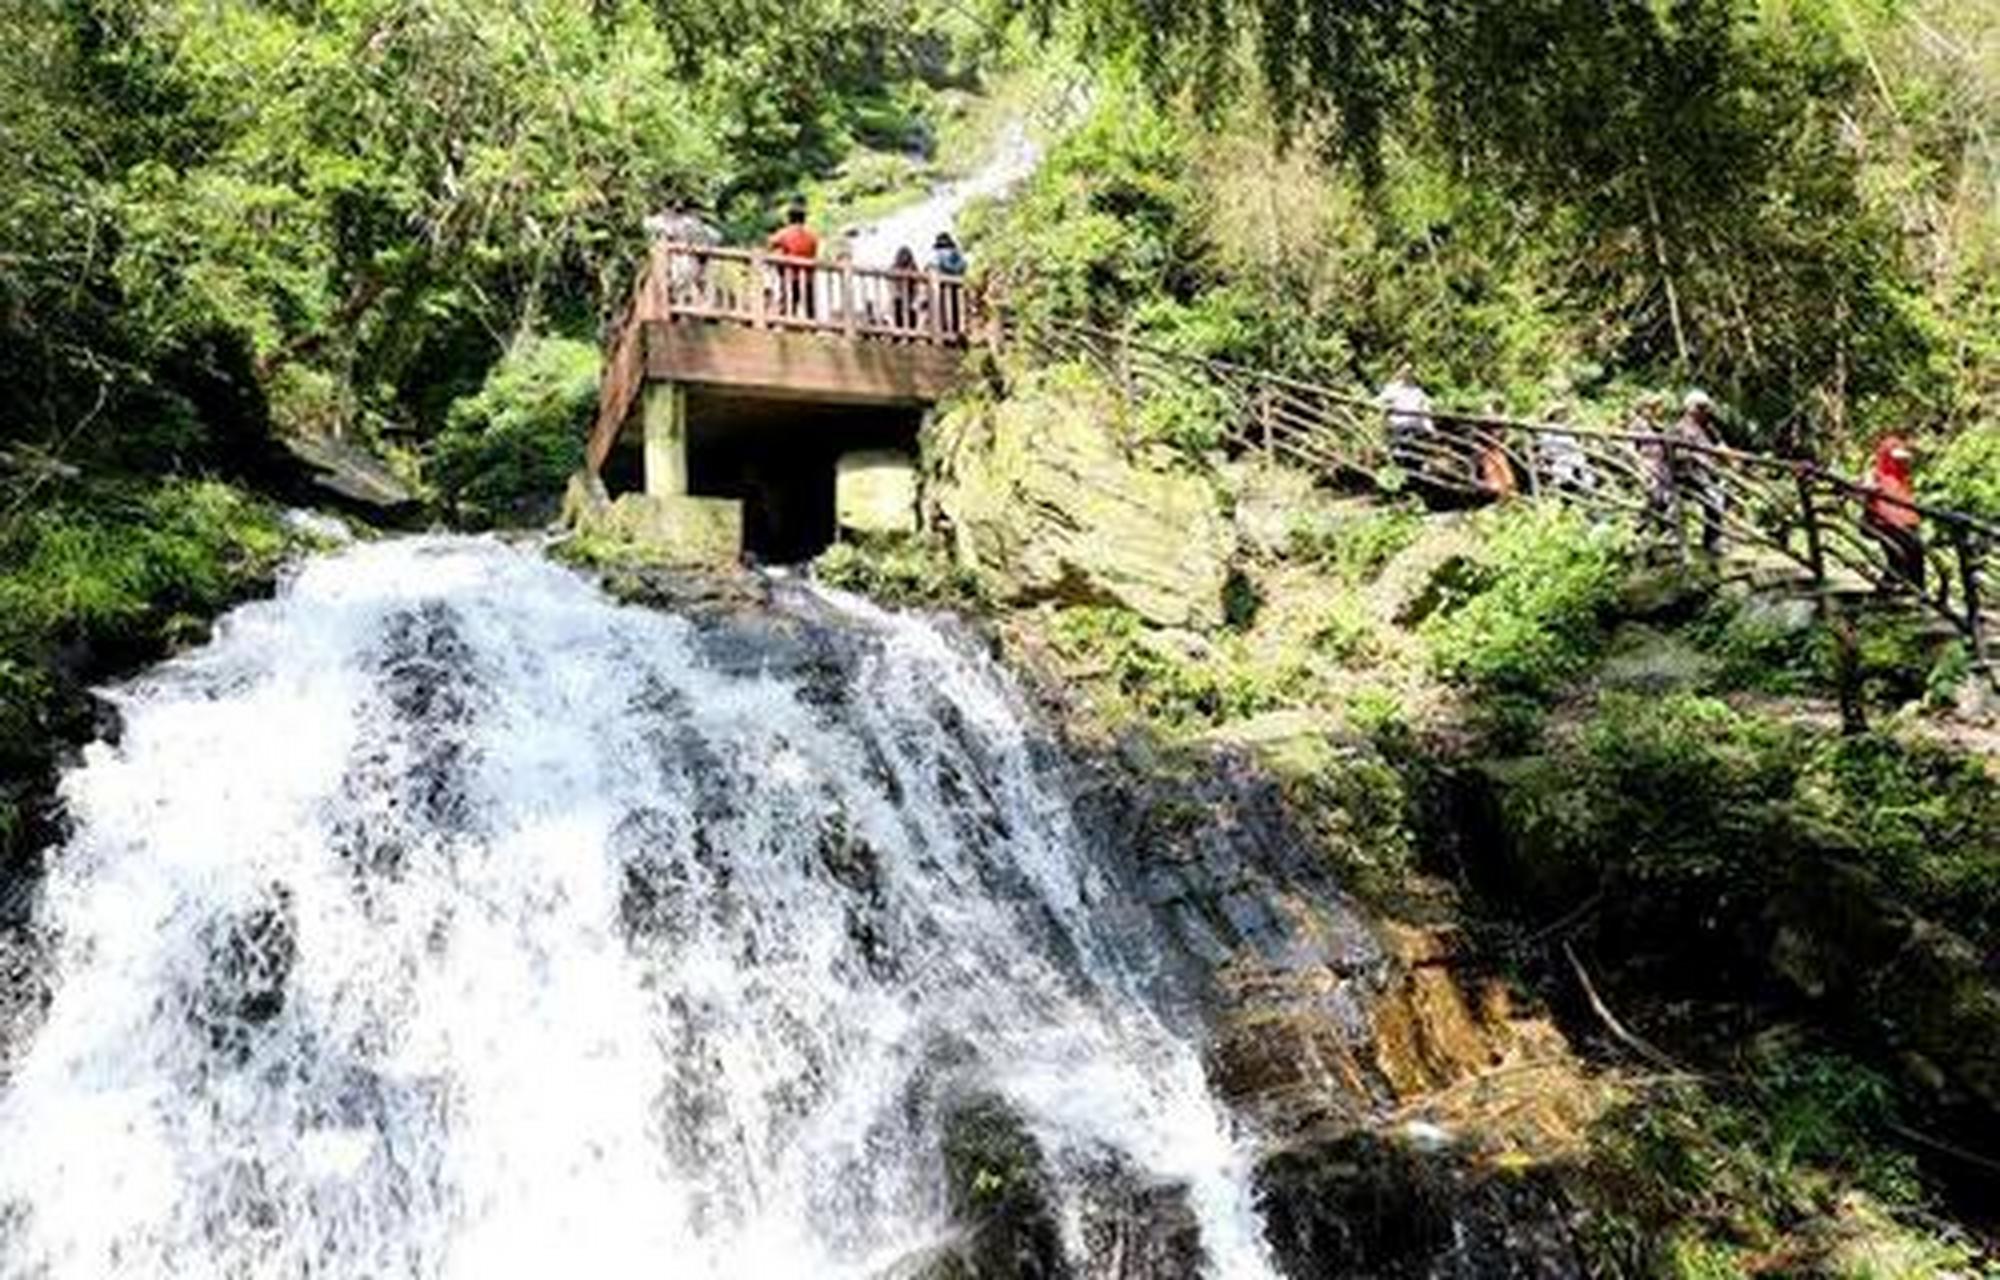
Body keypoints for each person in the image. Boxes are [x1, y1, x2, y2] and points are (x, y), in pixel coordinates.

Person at [1860, 434, 1924, 591]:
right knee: (1897, 555)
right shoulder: (1875, 474)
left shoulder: (1902, 476)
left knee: (1915, 554)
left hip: (1906, 522)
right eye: (1895, 459)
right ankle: (1895, 586)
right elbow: (1866, 487)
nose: (1899, 462)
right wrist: (1870, 489)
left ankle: (1912, 588)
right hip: (1886, 522)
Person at [1672, 390, 1726, 555]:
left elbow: (1721, 445)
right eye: (1701, 407)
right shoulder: (1680, 428)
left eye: (1706, 407)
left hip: (1709, 472)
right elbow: (1677, 454)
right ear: (1690, 408)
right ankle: (1711, 541)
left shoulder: (1708, 427)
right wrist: (1698, 460)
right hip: (1690, 474)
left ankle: (1711, 540)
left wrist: (1732, 459)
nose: (1705, 411)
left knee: (1718, 497)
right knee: (1714, 499)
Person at [643, 195, 720, 308]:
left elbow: (714, 237)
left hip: (688, 259)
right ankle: (675, 301)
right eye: (673, 207)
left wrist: (699, 244)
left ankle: (699, 304)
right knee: (677, 278)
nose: (676, 210)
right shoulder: (664, 221)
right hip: (676, 259)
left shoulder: (691, 223)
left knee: (690, 278)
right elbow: (647, 224)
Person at [1627, 392, 1676, 537]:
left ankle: (1664, 531)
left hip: (1662, 466)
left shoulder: (1658, 426)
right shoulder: (1637, 425)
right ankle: (1640, 526)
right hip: (1648, 463)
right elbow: (1630, 446)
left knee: (1666, 498)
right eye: (1652, 407)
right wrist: (1639, 463)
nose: (1655, 410)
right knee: (1653, 495)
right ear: (1643, 408)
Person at [767, 199, 820, 320]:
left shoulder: (785, 233)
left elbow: (770, 245)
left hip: (790, 275)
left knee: (788, 303)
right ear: (804, 219)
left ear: (789, 218)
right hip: (807, 276)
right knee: (809, 305)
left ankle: (784, 323)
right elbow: (814, 253)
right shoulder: (812, 236)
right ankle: (812, 325)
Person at [1379, 362, 1434, 480]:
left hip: (1414, 429)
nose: (1407, 374)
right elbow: (1380, 402)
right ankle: (1399, 478)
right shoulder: (1392, 389)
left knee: (1414, 456)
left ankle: (1413, 479)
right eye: (1405, 370)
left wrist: (1430, 428)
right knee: (1399, 455)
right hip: (1398, 427)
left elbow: (1426, 411)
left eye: (1410, 371)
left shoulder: (1418, 391)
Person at [932, 232, 968, 337]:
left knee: (944, 309)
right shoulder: (957, 254)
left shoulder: (940, 255)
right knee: (954, 309)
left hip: (944, 285)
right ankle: (953, 330)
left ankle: (947, 330)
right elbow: (963, 266)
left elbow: (938, 266)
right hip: (956, 286)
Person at [890, 245, 921, 334]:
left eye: (906, 256)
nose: (904, 258)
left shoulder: (913, 266)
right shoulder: (895, 266)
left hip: (910, 294)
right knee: (899, 312)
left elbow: (917, 281)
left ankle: (910, 332)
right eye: (903, 256)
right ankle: (899, 332)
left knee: (910, 312)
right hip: (899, 294)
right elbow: (891, 278)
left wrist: (916, 294)